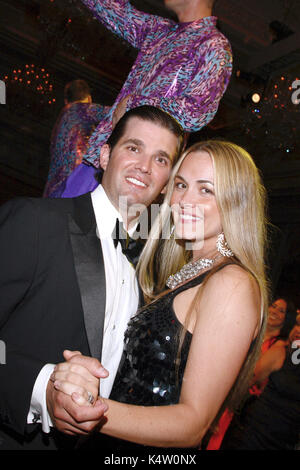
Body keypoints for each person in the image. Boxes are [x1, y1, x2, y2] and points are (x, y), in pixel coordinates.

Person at [50, 140, 269, 451]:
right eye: (180, 184)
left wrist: (92, 406)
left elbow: (192, 424)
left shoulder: (231, 283)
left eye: (205, 190)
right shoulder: (190, 272)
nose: (184, 200)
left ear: (237, 201)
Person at [0, 105, 184, 450]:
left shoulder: (156, 275)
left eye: (161, 160)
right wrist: (43, 388)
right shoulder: (34, 222)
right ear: (103, 155)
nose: (144, 167)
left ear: (166, 183)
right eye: (133, 148)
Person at [56, 0, 232, 197]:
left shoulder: (213, 45)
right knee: (57, 219)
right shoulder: (160, 31)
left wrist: (135, 104)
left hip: (136, 170)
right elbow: (116, 12)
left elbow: (197, 110)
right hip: (102, 156)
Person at [205, 295, 297, 449]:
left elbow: (257, 378)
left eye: (281, 311)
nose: (274, 311)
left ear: (287, 319)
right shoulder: (250, 332)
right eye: (273, 306)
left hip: (241, 409)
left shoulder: (279, 347)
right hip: (218, 392)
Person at [43, 79, 108, 197]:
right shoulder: (80, 109)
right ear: (89, 99)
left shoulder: (63, 118)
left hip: (55, 188)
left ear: (66, 100)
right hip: (75, 183)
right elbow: (112, 113)